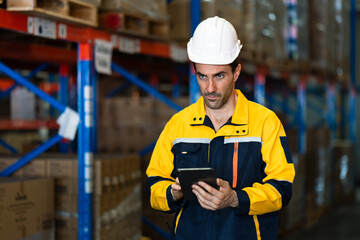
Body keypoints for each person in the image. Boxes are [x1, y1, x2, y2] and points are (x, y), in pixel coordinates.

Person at [146, 16, 295, 240]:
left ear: (236, 72)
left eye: (219, 76)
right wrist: (172, 192)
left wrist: (236, 199)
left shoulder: (265, 123)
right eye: (202, 77)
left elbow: (282, 189)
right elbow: (154, 183)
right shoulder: (178, 125)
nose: (210, 88)